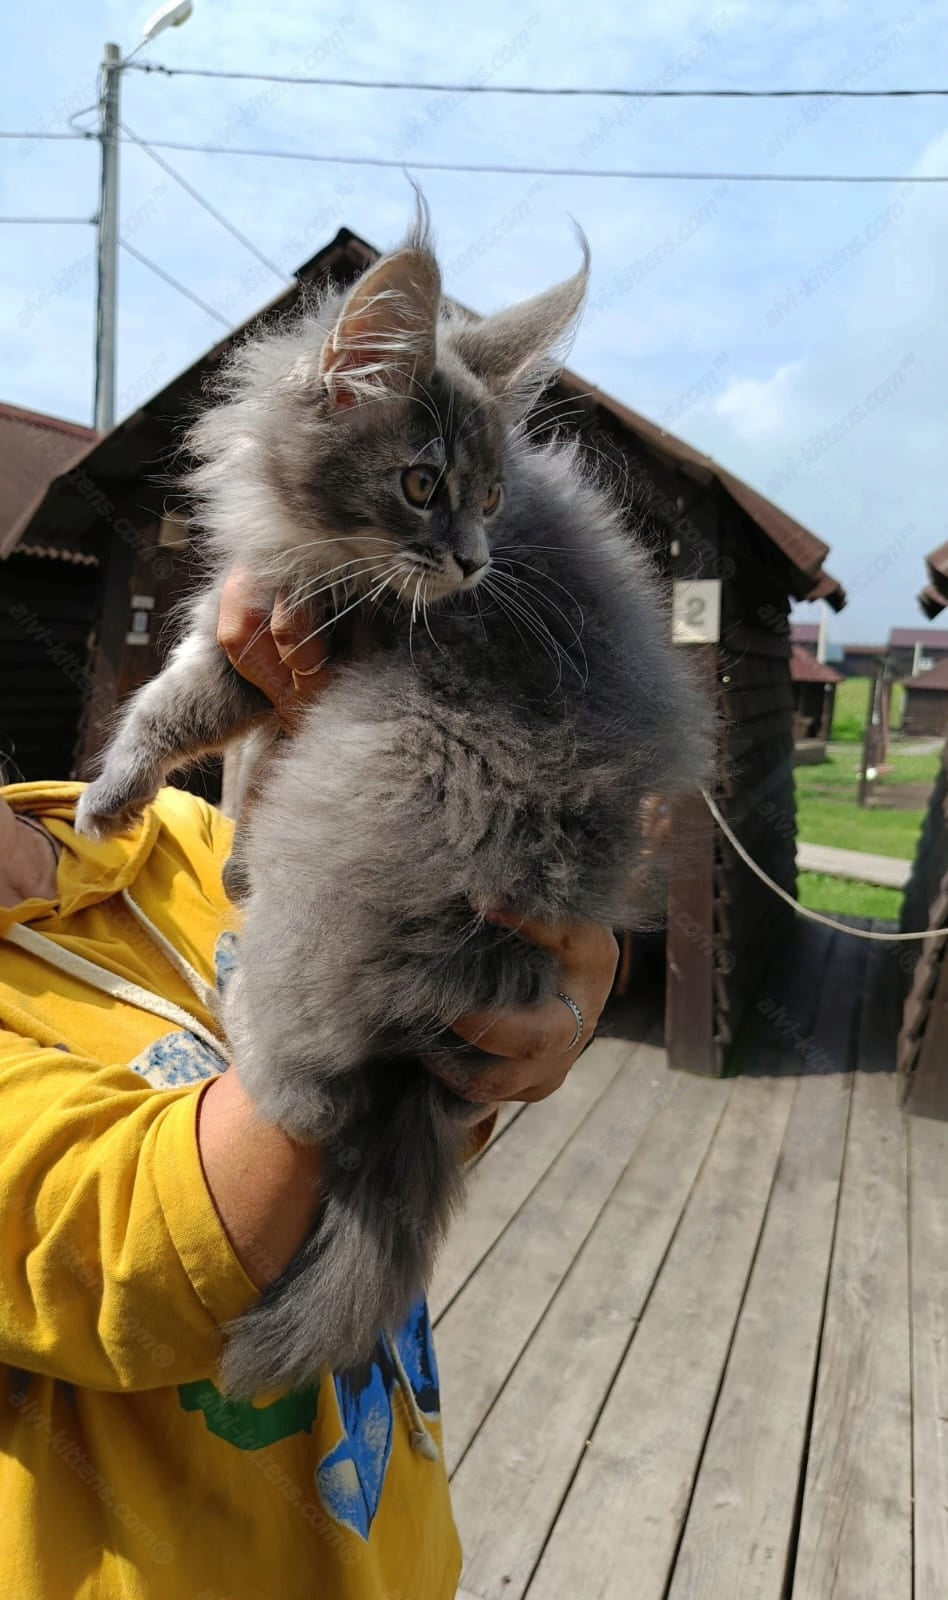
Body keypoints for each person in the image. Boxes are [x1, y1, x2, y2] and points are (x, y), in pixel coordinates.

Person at [0, 573, 618, 1600]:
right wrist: (403, 791)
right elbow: (157, 1245)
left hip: (395, 1556)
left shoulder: (174, 842)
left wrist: (553, 1004)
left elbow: (429, 1091)